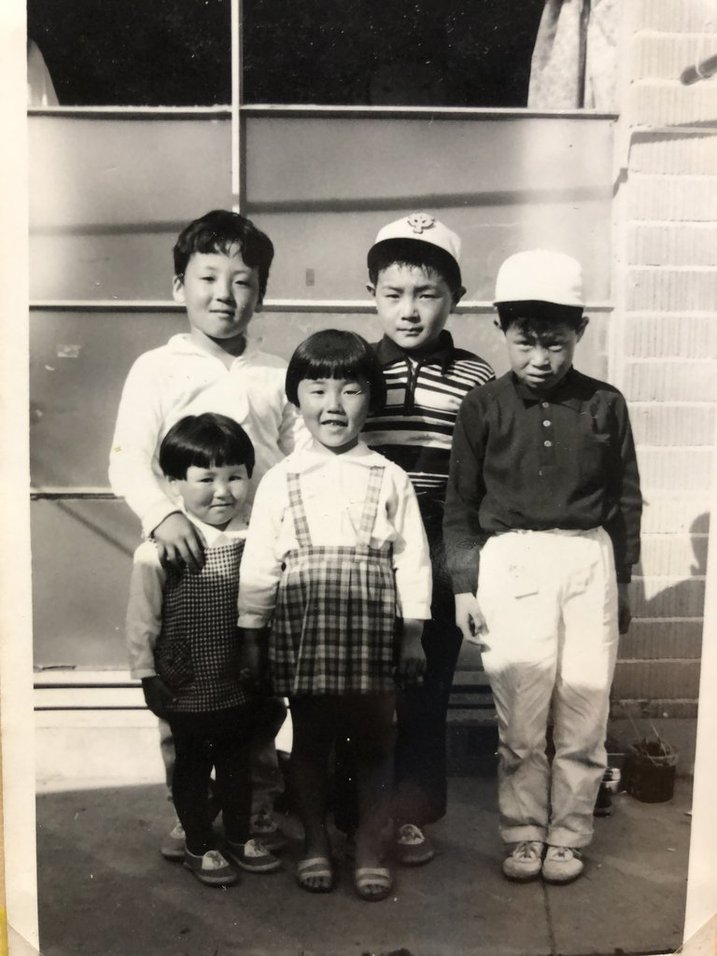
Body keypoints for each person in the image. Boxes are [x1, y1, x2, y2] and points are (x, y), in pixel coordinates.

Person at [444, 249, 642, 884]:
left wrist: (622, 580)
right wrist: (464, 586)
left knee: (585, 703)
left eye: (555, 343)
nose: (539, 359)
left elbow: (625, 499)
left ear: (579, 331)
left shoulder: (605, 403)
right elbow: (460, 504)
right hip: (512, 561)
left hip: (588, 558)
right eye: (525, 341)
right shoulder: (483, 407)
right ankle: (525, 831)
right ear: (502, 330)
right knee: (522, 713)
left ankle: (570, 834)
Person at [110, 209, 298, 859]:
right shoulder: (155, 369)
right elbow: (127, 459)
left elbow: (298, 459)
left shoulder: (277, 373)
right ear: (178, 286)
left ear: (261, 294)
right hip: (187, 553)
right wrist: (162, 517)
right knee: (186, 679)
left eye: (243, 281)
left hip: (257, 550)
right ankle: (192, 810)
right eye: (208, 277)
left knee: (257, 683)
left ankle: (258, 803)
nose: (225, 294)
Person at [238, 330, 433, 901]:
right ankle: (316, 842)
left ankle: (369, 844)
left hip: (373, 633)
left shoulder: (389, 477)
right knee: (311, 743)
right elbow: (259, 565)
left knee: (376, 742)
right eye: (317, 390)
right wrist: (252, 638)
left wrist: (413, 633)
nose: (333, 405)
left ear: (371, 397)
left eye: (350, 390)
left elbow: (413, 560)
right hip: (306, 633)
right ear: (296, 397)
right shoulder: (281, 479)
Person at [334, 213, 494, 866]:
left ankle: (408, 814)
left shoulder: (476, 378)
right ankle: (351, 811)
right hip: (365, 545)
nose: (408, 310)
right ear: (371, 294)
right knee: (358, 689)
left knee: (423, 689)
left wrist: (466, 575)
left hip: (438, 540)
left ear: (455, 298)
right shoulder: (355, 368)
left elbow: (477, 487)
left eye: (426, 294)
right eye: (393, 293)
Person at [126, 413, 282, 887]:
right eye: (206, 479)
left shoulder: (256, 540)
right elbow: (142, 621)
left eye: (235, 476)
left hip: (239, 678)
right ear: (175, 483)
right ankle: (198, 843)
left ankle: (238, 836)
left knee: (238, 764)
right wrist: (147, 676)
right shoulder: (158, 552)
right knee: (192, 767)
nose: (223, 492)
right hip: (186, 683)